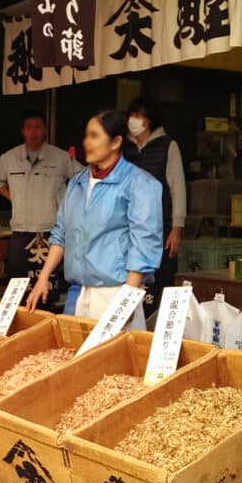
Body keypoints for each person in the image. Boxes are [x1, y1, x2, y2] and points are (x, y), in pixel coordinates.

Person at [26, 110, 163, 329]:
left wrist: (126, 300)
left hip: (116, 292)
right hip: (77, 292)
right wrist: (43, 278)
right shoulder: (77, 182)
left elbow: (144, 244)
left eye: (94, 135)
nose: (86, 142)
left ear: (116, 142)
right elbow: (61, 234)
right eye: (86, 135)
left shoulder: (139, 183)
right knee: (74, 357)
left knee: (114, 362)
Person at [0, 111, 82, 305]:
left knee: (49, 290)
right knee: (18, 287)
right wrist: (14, 198)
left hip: (50, 231)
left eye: (38, 127)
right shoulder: (8, 158)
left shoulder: (60, 157)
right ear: (23, 131)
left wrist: (68, 204)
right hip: (20, 231)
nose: (33, 132)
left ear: (45, 130)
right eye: (29, 127)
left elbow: (82, 178)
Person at [127, 96, 186, 316]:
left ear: (149, 120)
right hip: (131, 225)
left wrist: (177, 228)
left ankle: (156, 322)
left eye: (138, 115)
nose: (133, 120)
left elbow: (177, 188)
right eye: (132, 115)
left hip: (161, 225)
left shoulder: (168, 145)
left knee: (160, 278)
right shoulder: (125, 147)